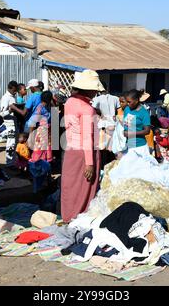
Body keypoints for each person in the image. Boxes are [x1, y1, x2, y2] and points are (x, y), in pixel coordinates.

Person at [61, 70, 103, 223]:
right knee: (84, 187)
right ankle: (78, 218)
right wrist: (90, 163)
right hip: (85, 153)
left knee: (70, 186)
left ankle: (68, 216)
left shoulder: (70, 102)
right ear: (90, 89)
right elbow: (87, 137)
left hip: (71, 149)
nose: (96, 92)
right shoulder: (87, 108)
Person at [92, 82, 120, 168]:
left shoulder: (96, 99)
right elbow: (118, 112)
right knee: (112, 148)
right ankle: (111, 166)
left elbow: (94, 110)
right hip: (113, 125)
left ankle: (102, 167)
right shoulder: (115, 98)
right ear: (107, 87)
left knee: (102, 148)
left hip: (102, 126)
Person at [123, 89, 152, 157]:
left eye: (129, 102)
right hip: (128, 145)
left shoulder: (144, 113)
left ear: (136, 101)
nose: (127, 103)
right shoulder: (127, 109)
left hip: (139, 147)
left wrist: (131, 134)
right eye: (127, 101)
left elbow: (147, 131)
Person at [0, 81, 19, 166]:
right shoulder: (5, 98)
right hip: (10, 126)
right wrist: (10, 110)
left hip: (14, 124)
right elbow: (2, 114)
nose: (16, 91)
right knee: (11, 144)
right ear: (10, 88)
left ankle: (12, 162)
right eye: (14, 89)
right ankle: (9, 163)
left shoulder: (12, 97)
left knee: (14, 144)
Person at [28, 90, 53, 163]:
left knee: (45, 149)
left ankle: (44, 167)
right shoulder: (40, 108)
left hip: (47, 132)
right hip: (41, 132)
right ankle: (37, 167)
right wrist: (31, 135)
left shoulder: (48, 106)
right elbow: (33, 122)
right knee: (40, 149)